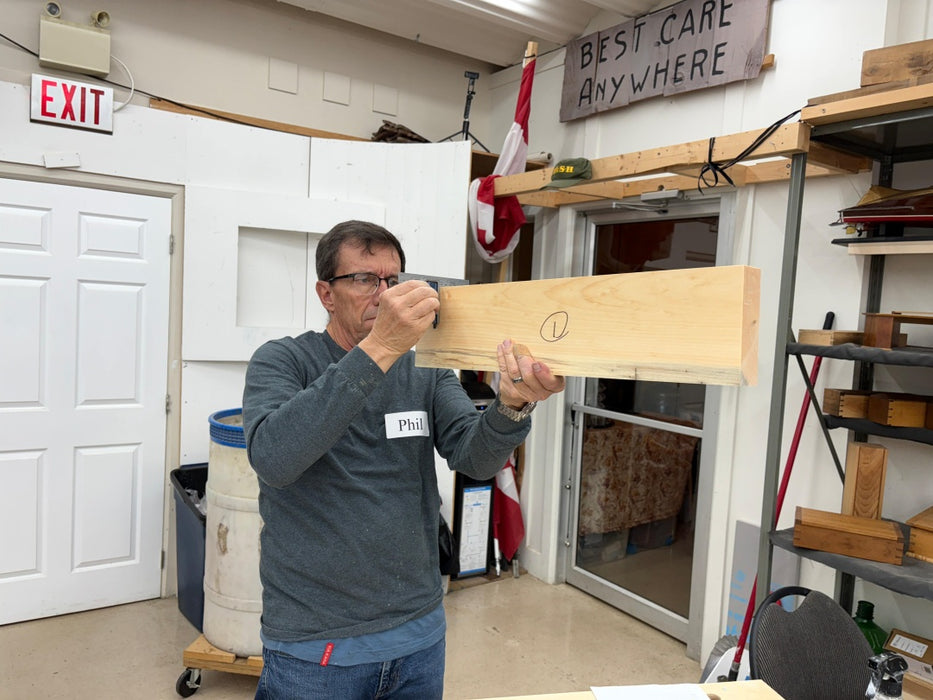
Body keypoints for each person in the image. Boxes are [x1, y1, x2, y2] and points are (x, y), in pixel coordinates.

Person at [242, 219, 565, 700]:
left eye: (393, 281)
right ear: (326, 294)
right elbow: (275, 458)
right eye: (364, 279)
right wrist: (381, 348)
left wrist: (511, 405)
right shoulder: (284, 361)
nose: (385, 295)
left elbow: (474, 459)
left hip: (418, 633)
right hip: (318, 645)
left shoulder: (425, 370)